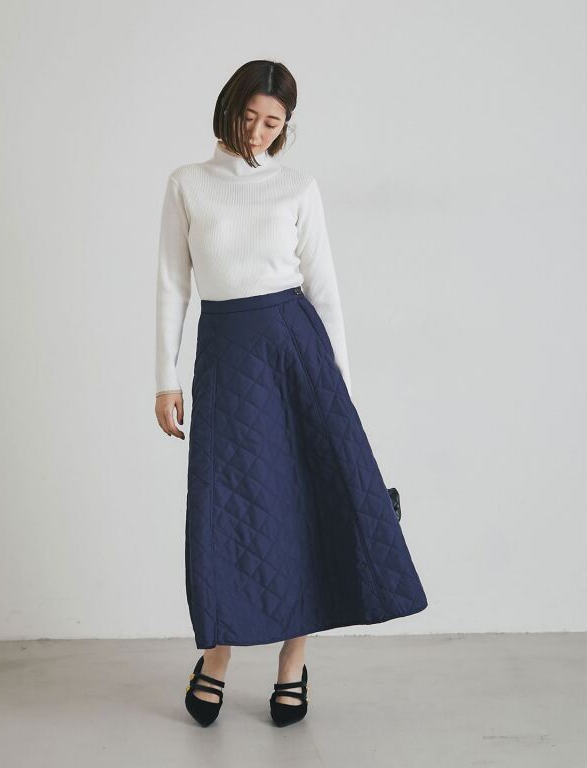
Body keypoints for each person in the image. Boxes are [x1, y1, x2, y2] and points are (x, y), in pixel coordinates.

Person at [154, 60, 428, 728]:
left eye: (272, 123)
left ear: (286, 126)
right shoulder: (188, 183)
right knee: (226, 508)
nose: (257, 132)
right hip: (226, 354)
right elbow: (172, 284)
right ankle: (216, 655)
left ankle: (292, 663)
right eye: (248, 116)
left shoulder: (297, 187)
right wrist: (165, 376)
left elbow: (324, 287)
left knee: (307, 500)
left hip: (296, 350)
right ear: (228, 108)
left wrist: (342, 388)